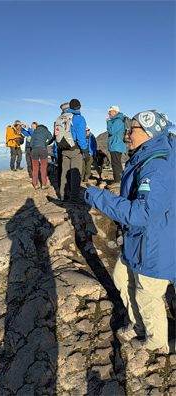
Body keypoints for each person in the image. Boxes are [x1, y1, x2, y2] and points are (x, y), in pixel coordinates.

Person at [85, 110, 174, 354]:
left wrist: (98, 197)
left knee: (148, 295)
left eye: (131, 130)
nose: (126, 135)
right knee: (121, 277)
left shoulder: (156, 166)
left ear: (149, 132)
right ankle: (140, 324)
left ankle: (156, 343)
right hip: (141, 238)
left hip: (154, 243)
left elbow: (143, 212)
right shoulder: (147, 155)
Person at [58, 98, 88, 202]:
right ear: (79, 107)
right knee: (75, 173)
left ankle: (63, 195)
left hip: (64, 148)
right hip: (75, 149)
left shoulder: (62, 117)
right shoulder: (79, 118)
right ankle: (74, 197)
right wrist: (85, 151)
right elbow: (81, 137)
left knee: (64, 172)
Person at [29, 123, 53, 189]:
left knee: (35, 168)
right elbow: (51, 139)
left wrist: (35, 146)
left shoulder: (34, 133)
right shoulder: (46, 131)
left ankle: (35, 184)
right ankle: (44, 184)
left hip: (34, 150)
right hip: (43, 150)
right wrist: (45, 144)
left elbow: (31, 144)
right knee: (43, 168)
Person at [106, 106, 127, 183]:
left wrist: (108, 122)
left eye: (110, 111)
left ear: (115, 112)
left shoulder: (118, 121)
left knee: (116, 164)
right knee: (116, 163)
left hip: (116, 145)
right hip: (116, 145)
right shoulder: (117, 120)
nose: (108, 113)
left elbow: (111, 131)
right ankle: (119, 180)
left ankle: (117, 181)